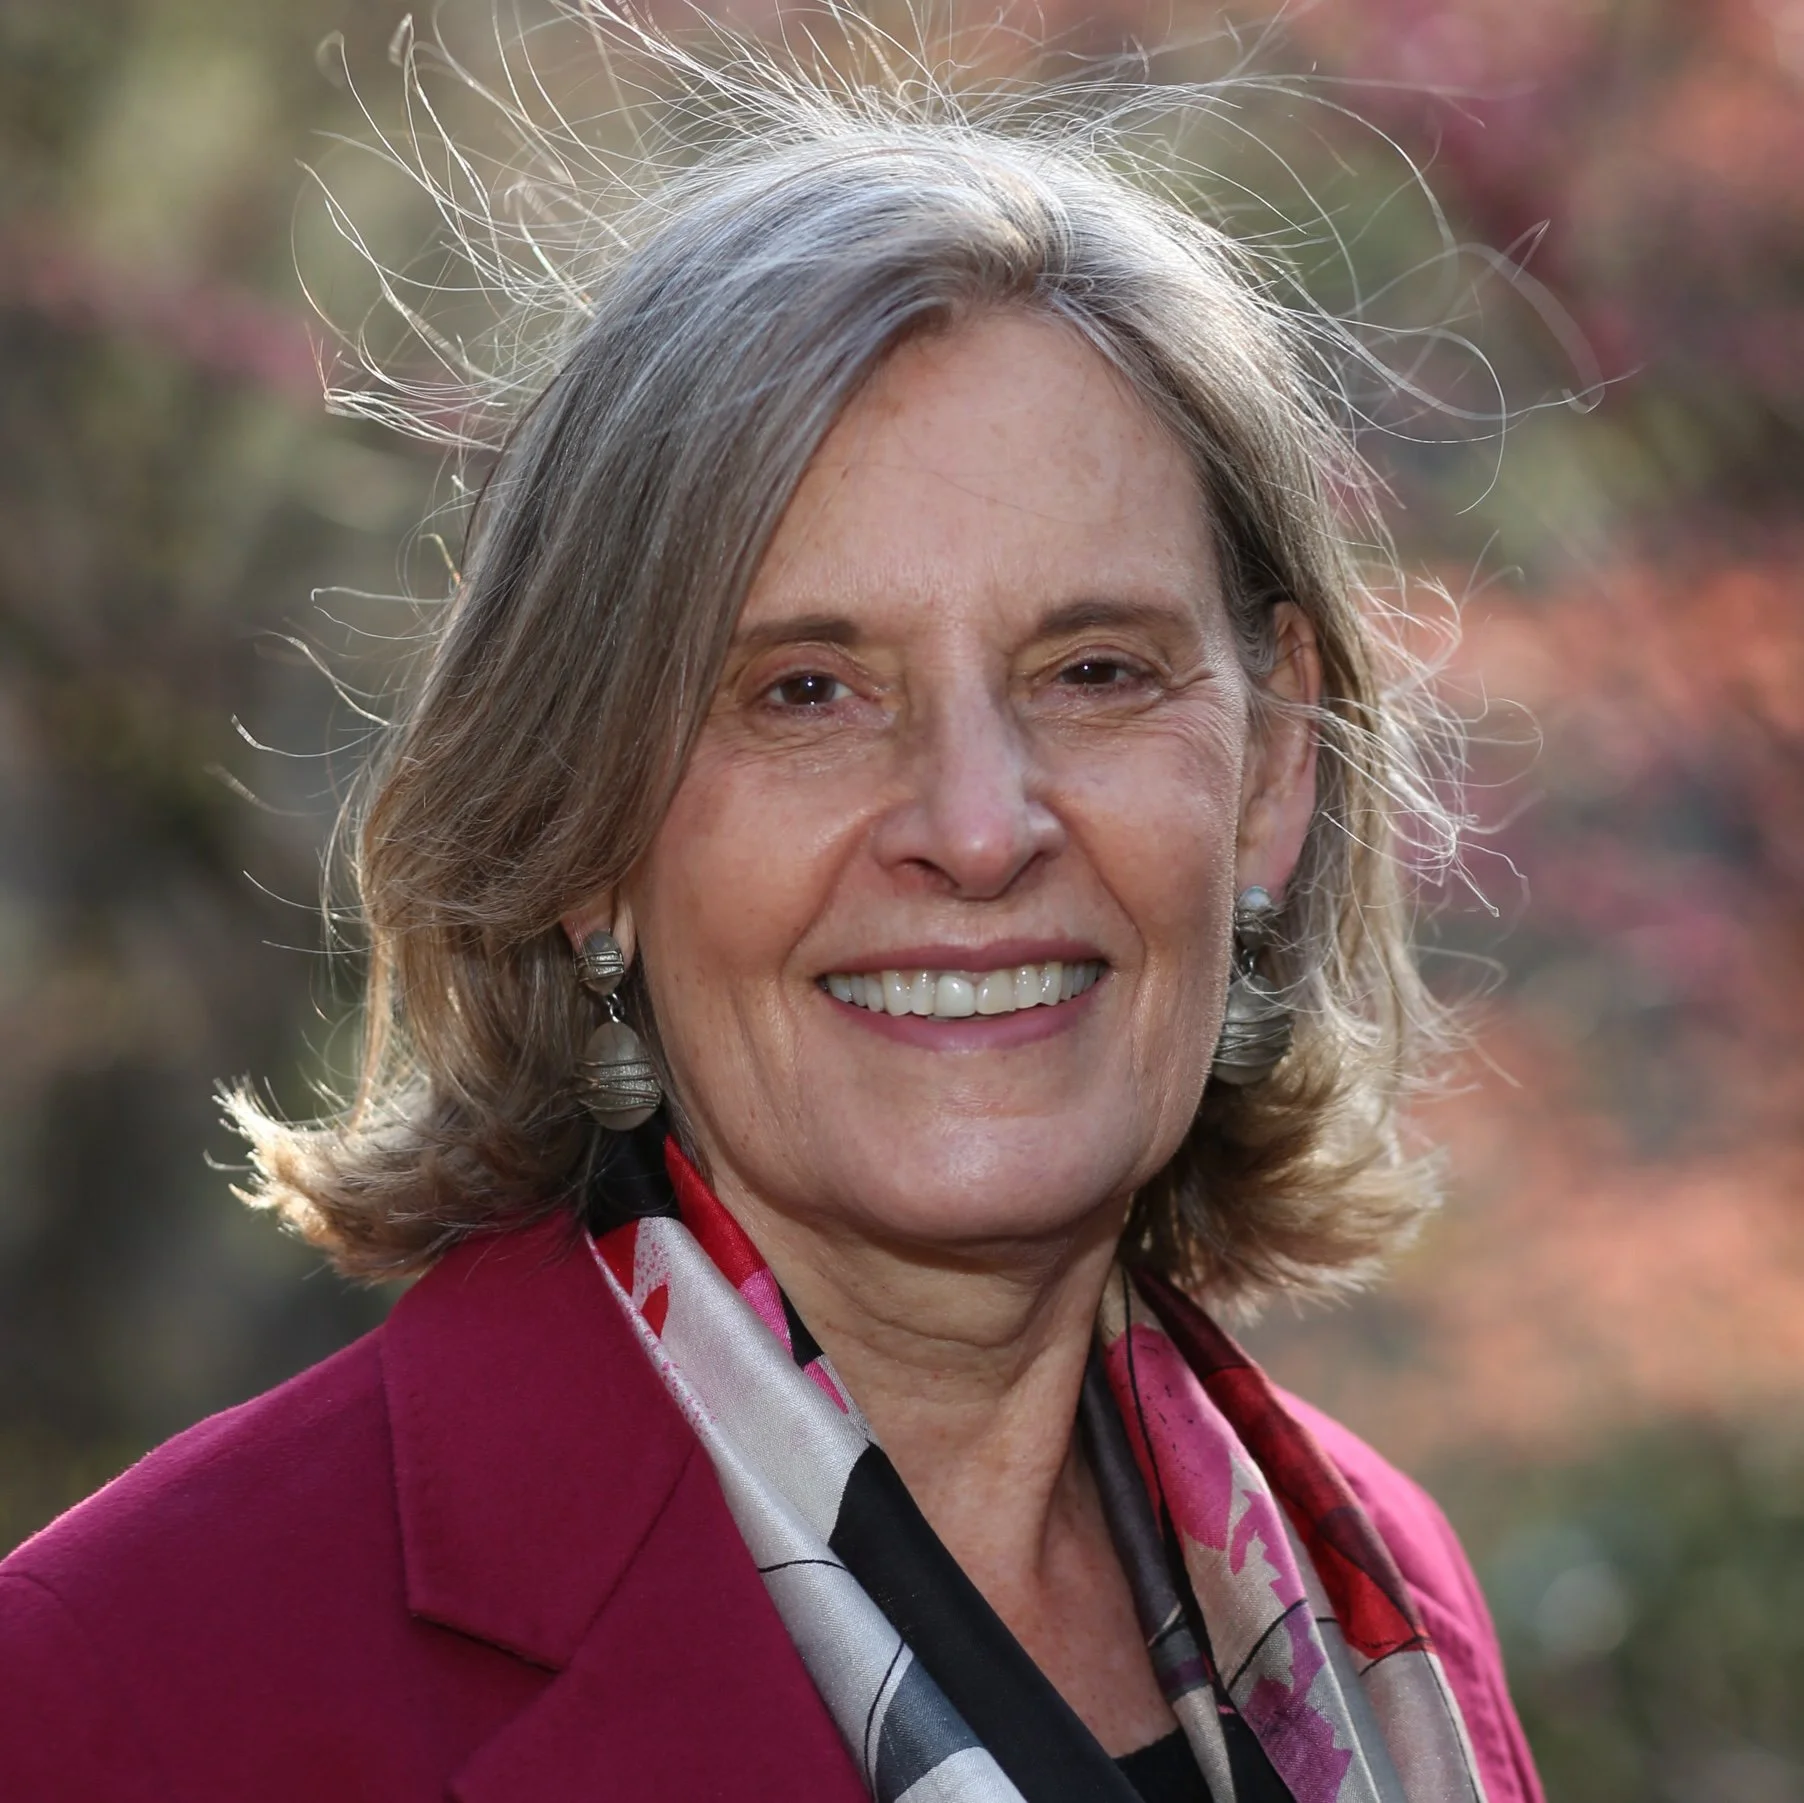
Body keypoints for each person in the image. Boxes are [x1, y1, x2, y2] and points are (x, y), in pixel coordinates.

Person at [0, 15, 1543, 1801]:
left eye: (1097, 668)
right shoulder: (129, 1688)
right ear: (585, 830)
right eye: (804, 690)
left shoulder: (1381, 1607)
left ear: (1272, 772)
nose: (977, 828)